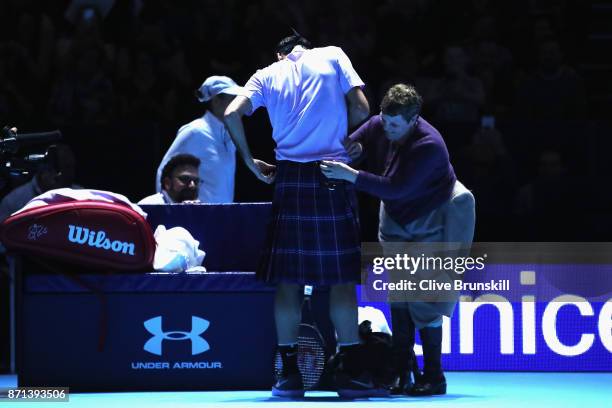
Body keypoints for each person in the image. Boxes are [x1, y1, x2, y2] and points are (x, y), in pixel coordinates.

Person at [223, 33, 380, 398]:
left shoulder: (266, 74)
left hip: (289, 179)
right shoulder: (333, 54)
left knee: (289, 282)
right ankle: (350, 371)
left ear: (279, 53)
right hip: (331, 173)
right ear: (305, 46)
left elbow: (232, 113)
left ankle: (289, 374)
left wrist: (249, 162)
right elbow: (360, 107)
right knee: (341, 279)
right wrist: (349, 142)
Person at [320, 83, 476, 396]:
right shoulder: (380, 122)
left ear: (413, 119)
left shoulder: (429, 145)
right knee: (400, 296)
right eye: (384, 121)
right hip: (395, 219)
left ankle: (434, 376)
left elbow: (395, 188)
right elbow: (359, 140)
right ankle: (402, 372)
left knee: (426, 301)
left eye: (395, 125)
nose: (387, 128)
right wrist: (353, 148)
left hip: (432, 218)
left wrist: (350, 175)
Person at [155, 76, 243, 203]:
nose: (238, 105)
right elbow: (164, 172)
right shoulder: (195, 131)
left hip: (224, 217)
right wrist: (166, 211)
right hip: (198, 217)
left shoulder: (230, 136)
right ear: (216, 101)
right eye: (233, 99)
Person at [0, 143, 77, 222]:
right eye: (64, 167)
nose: (68, 174)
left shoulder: (83, 197)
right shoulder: (13, 201)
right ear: (45, 170)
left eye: (70, 167)